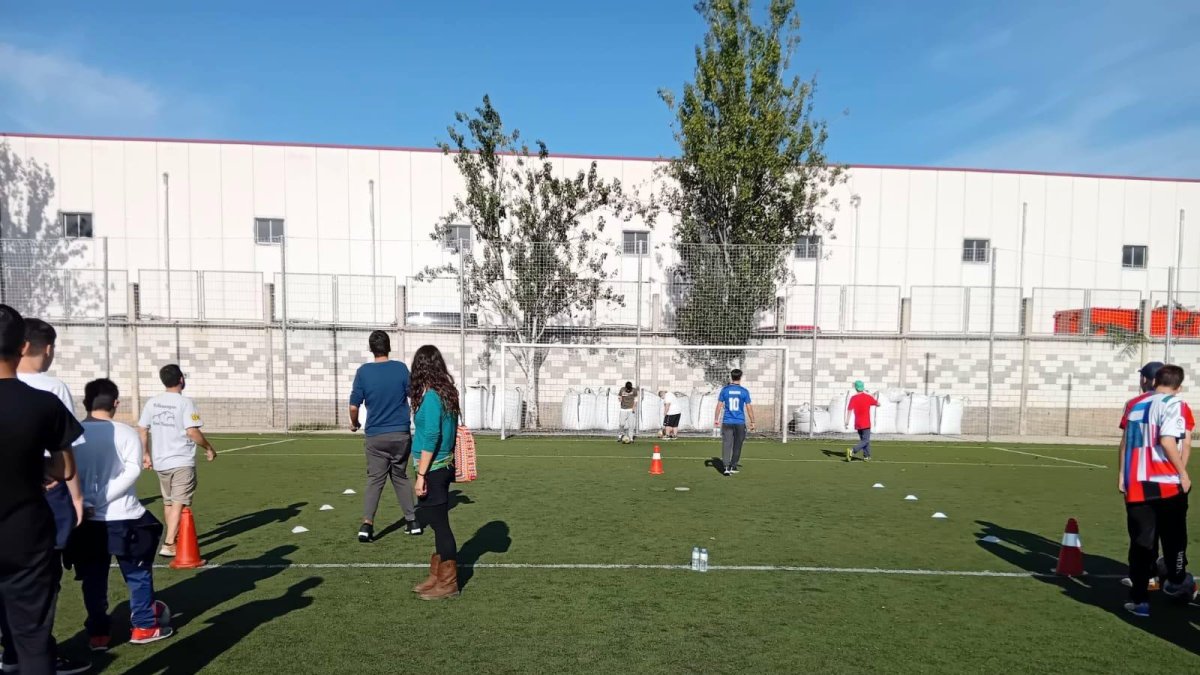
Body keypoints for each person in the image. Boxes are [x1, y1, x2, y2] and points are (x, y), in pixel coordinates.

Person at [0, 304, 83, 675]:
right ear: (23, 347)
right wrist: (35, 466)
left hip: (26, 534)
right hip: (25, 536)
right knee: (33, 641)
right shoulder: (44, 402)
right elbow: (66, 468)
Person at [70, 378, 173, 648]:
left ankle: (98, 634)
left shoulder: (73, 433)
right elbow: (133, 470)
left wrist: (86, 501)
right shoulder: (125, 432)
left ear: (85, 401)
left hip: (86, 519)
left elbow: (65, 471)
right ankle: (144, 626)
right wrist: (100, 498)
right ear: (116, 402)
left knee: (93, 578)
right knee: (137, 574)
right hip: (124, 517)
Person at [1119, 364, 1193, 617]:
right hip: (1166, 482)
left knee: (1142, 543)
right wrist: (1183, 472)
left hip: (1137, 483)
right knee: (1175, 539)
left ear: (1153, 381)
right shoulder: (1175, 404)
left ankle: (1140, 600)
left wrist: (1123, 475)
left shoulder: (1134, 405)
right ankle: (1176, 580)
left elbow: (1125, 443)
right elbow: (1169, 440)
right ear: (1178, 386)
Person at [137, 365, 216, 558]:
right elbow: (192, 431)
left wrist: (146, 454)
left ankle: (173, 537)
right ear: (181, 379)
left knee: (169, 502)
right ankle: (169, 542)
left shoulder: (153, 402)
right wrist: (208, 447)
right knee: (179, 502)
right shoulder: (186, 403)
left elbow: (142, 429)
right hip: (181, 460)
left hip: (161, 461)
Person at [348, 330, 420, 543]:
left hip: (376, 435)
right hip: (400, 434)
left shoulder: (363, 372)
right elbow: (414, 395)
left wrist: (355, 423)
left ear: (371, 349)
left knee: (375, 480)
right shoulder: (400, 368)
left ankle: (367, 524)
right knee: (400, 476)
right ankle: (412, 522)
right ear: (389, 347)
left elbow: (353, 406)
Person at [408, 345, 461, 600]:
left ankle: (449, 582)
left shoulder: (431, 397)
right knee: (438, 522)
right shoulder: (447, 393)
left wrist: (421, 475)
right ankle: (437, 574)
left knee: (440, 525)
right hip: (443, 466)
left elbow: (431, 436)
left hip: (434, 468)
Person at [714, 369, 754, 476]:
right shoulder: (744, 391)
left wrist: (716, 419)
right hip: (739, 422)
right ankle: (733, 465)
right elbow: (749, 407)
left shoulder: (725, 390)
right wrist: (752, 421)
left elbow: (719, 406)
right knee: (738, 444)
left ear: (731, 377)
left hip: (727, 421)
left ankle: (726, 467)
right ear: (740, 377)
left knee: (727, 444)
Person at [845, 381, 879, 462]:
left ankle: (866, 456)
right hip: (866, 423)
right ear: (863, 387)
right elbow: (878, 404)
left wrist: (847, 421)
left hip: (858, 423)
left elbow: (849, 410)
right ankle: (853, 450)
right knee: (865, 440)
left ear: (856, 388)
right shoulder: (868, 397)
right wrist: (872, 397)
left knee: (864, 440)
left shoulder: (853, 398)